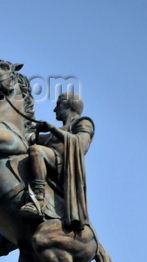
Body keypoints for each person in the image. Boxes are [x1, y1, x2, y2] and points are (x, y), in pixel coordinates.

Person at [20, 92, 95, 231]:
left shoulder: (83, 123)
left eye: (58, 104)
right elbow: (27, 140)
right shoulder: (54, 134)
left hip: (65, 168)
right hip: (49, 165)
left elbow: (81, 145)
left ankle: (39, 197)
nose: (55, 109)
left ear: (68, 105)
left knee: (36, 151)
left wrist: (52, 128)